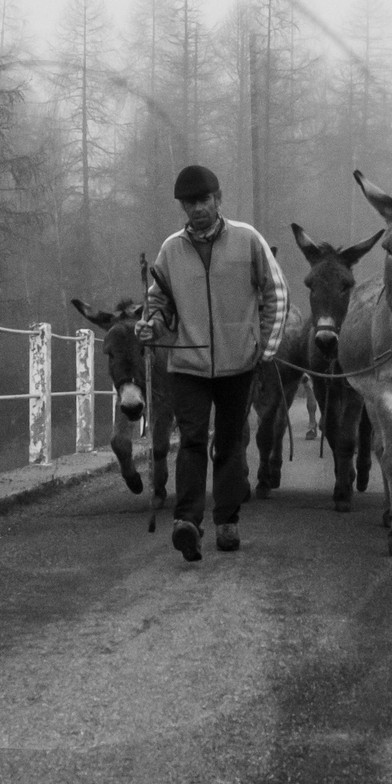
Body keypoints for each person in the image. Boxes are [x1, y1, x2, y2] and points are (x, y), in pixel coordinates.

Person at [136, 164, 289, 562]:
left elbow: (276, 292)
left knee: (229, 442)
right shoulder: (171, 250)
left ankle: (227, 520)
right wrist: (152, 325)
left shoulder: (247, 240)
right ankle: (187, 522)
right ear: (182, 207)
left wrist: (266, 348)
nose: (199, 208)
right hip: (188, 363)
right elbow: (159, 300)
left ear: (218, 199)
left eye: (205, 200)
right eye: (190, 203)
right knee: (191, 441)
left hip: (239, 363)